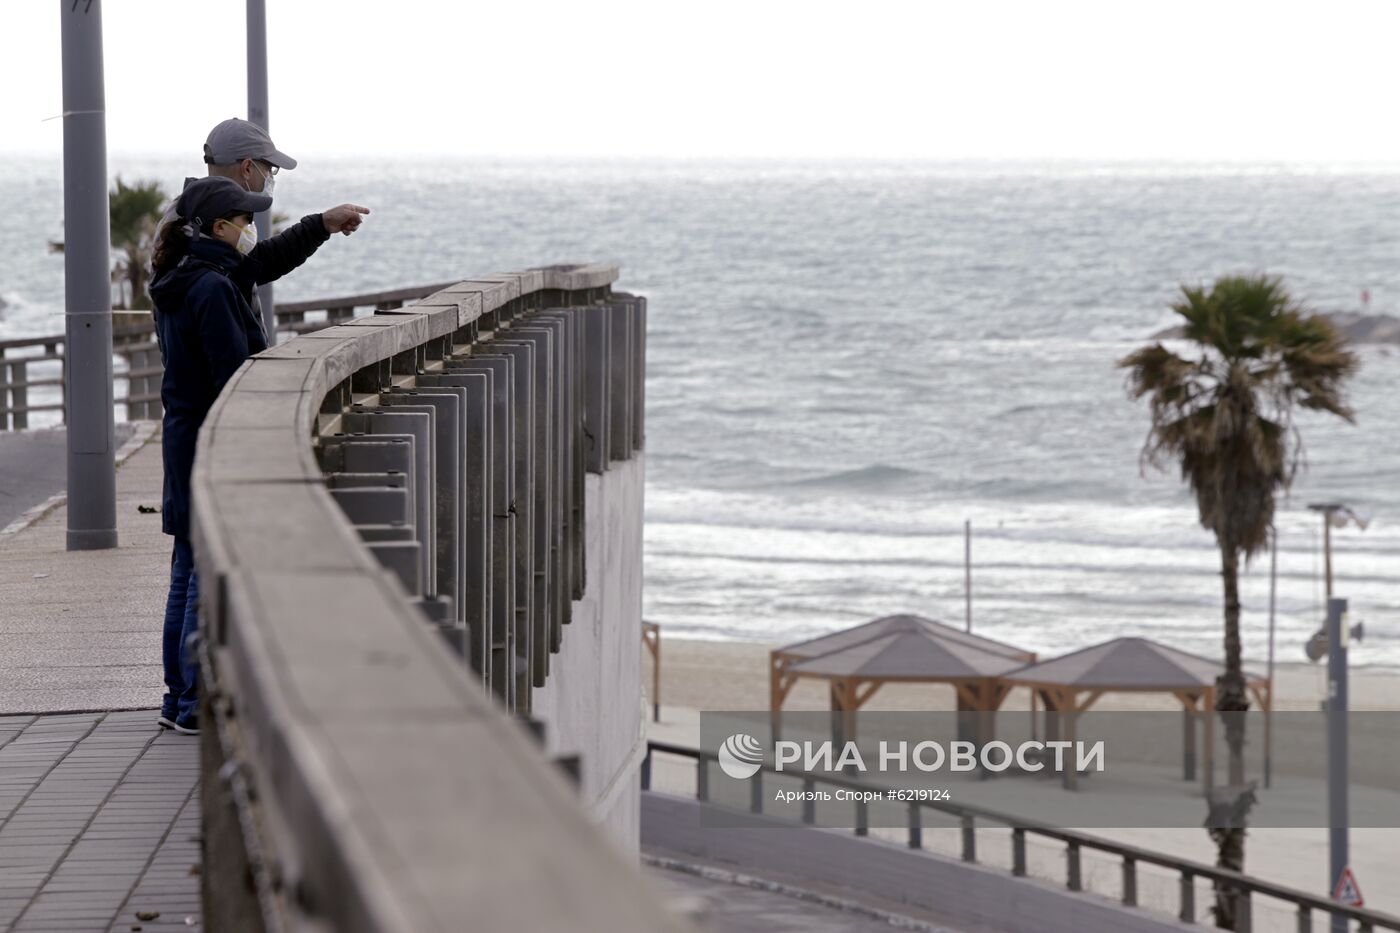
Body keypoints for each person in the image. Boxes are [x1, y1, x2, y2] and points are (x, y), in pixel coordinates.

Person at [148, 175, 365, 734]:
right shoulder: (213, 288)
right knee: (200, 574)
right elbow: (231, 376)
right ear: (220, 228)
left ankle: (176, 699)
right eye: (245, 221)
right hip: (208, 439)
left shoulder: (182, 274)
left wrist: (320, 224)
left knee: (185, 569)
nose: (252, 229)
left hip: (181, 433)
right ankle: (194, 705)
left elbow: (265, 260)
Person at [151, 118, 368, 328]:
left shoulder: (197, 212)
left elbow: (257, 262)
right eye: (269, 169)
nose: (270, 177)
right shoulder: (195, 225)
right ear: (247, 168)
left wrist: (322, 224)